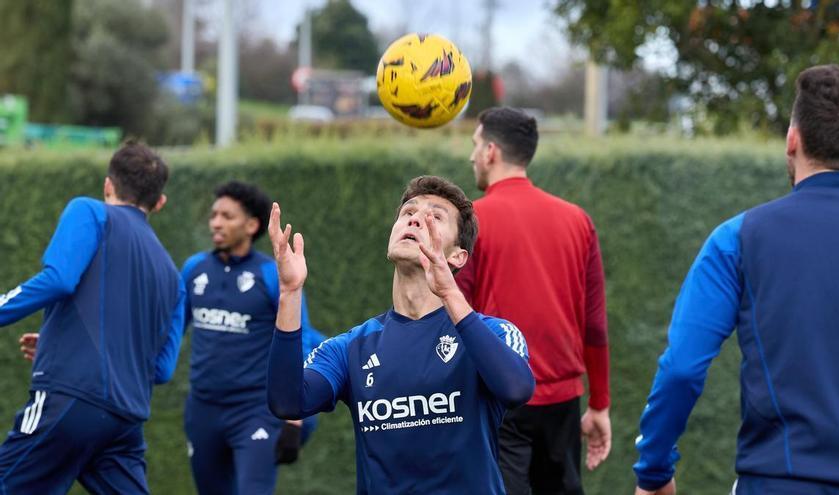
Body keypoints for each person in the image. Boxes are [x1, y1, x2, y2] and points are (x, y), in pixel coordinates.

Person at [633, 64, 839, 495]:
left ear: (792, 139)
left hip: (776, 483)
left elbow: (682, 369)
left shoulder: (736, 238)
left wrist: (654, 470)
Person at [266, 175, 536, 494]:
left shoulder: (494, 333)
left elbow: (517, 389)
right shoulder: (350, 347)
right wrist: (289, 292)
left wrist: (449, 292)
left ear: (458, 256)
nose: (416, 219)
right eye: (408, 212)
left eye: (435, 216)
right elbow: (287, 402)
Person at [0, 142, 185, 494]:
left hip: (69, 401)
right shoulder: (174, 277)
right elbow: (161, 369)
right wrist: (63, 341)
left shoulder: (89, 211)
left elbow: (59, 279)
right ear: (159, 203)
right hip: (124, 422)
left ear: (107, 186)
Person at [455, 107, 612, 495]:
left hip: (499, 400)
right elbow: (594, 323)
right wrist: (600, 404)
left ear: (491, 151)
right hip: (563, 405)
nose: (471, 156)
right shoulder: (578, 220)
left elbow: (456, 314)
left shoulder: (473, 219)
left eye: (475, 145)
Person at [179, 181, 325, 495]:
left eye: (227, 216)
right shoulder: (194, 269)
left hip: (255, 410)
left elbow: (301, 338)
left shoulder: (272, 274)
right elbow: (170, 329)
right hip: (202, 410)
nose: (216, 222)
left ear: (251, 225)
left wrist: (295, 419)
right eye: (214, 214)